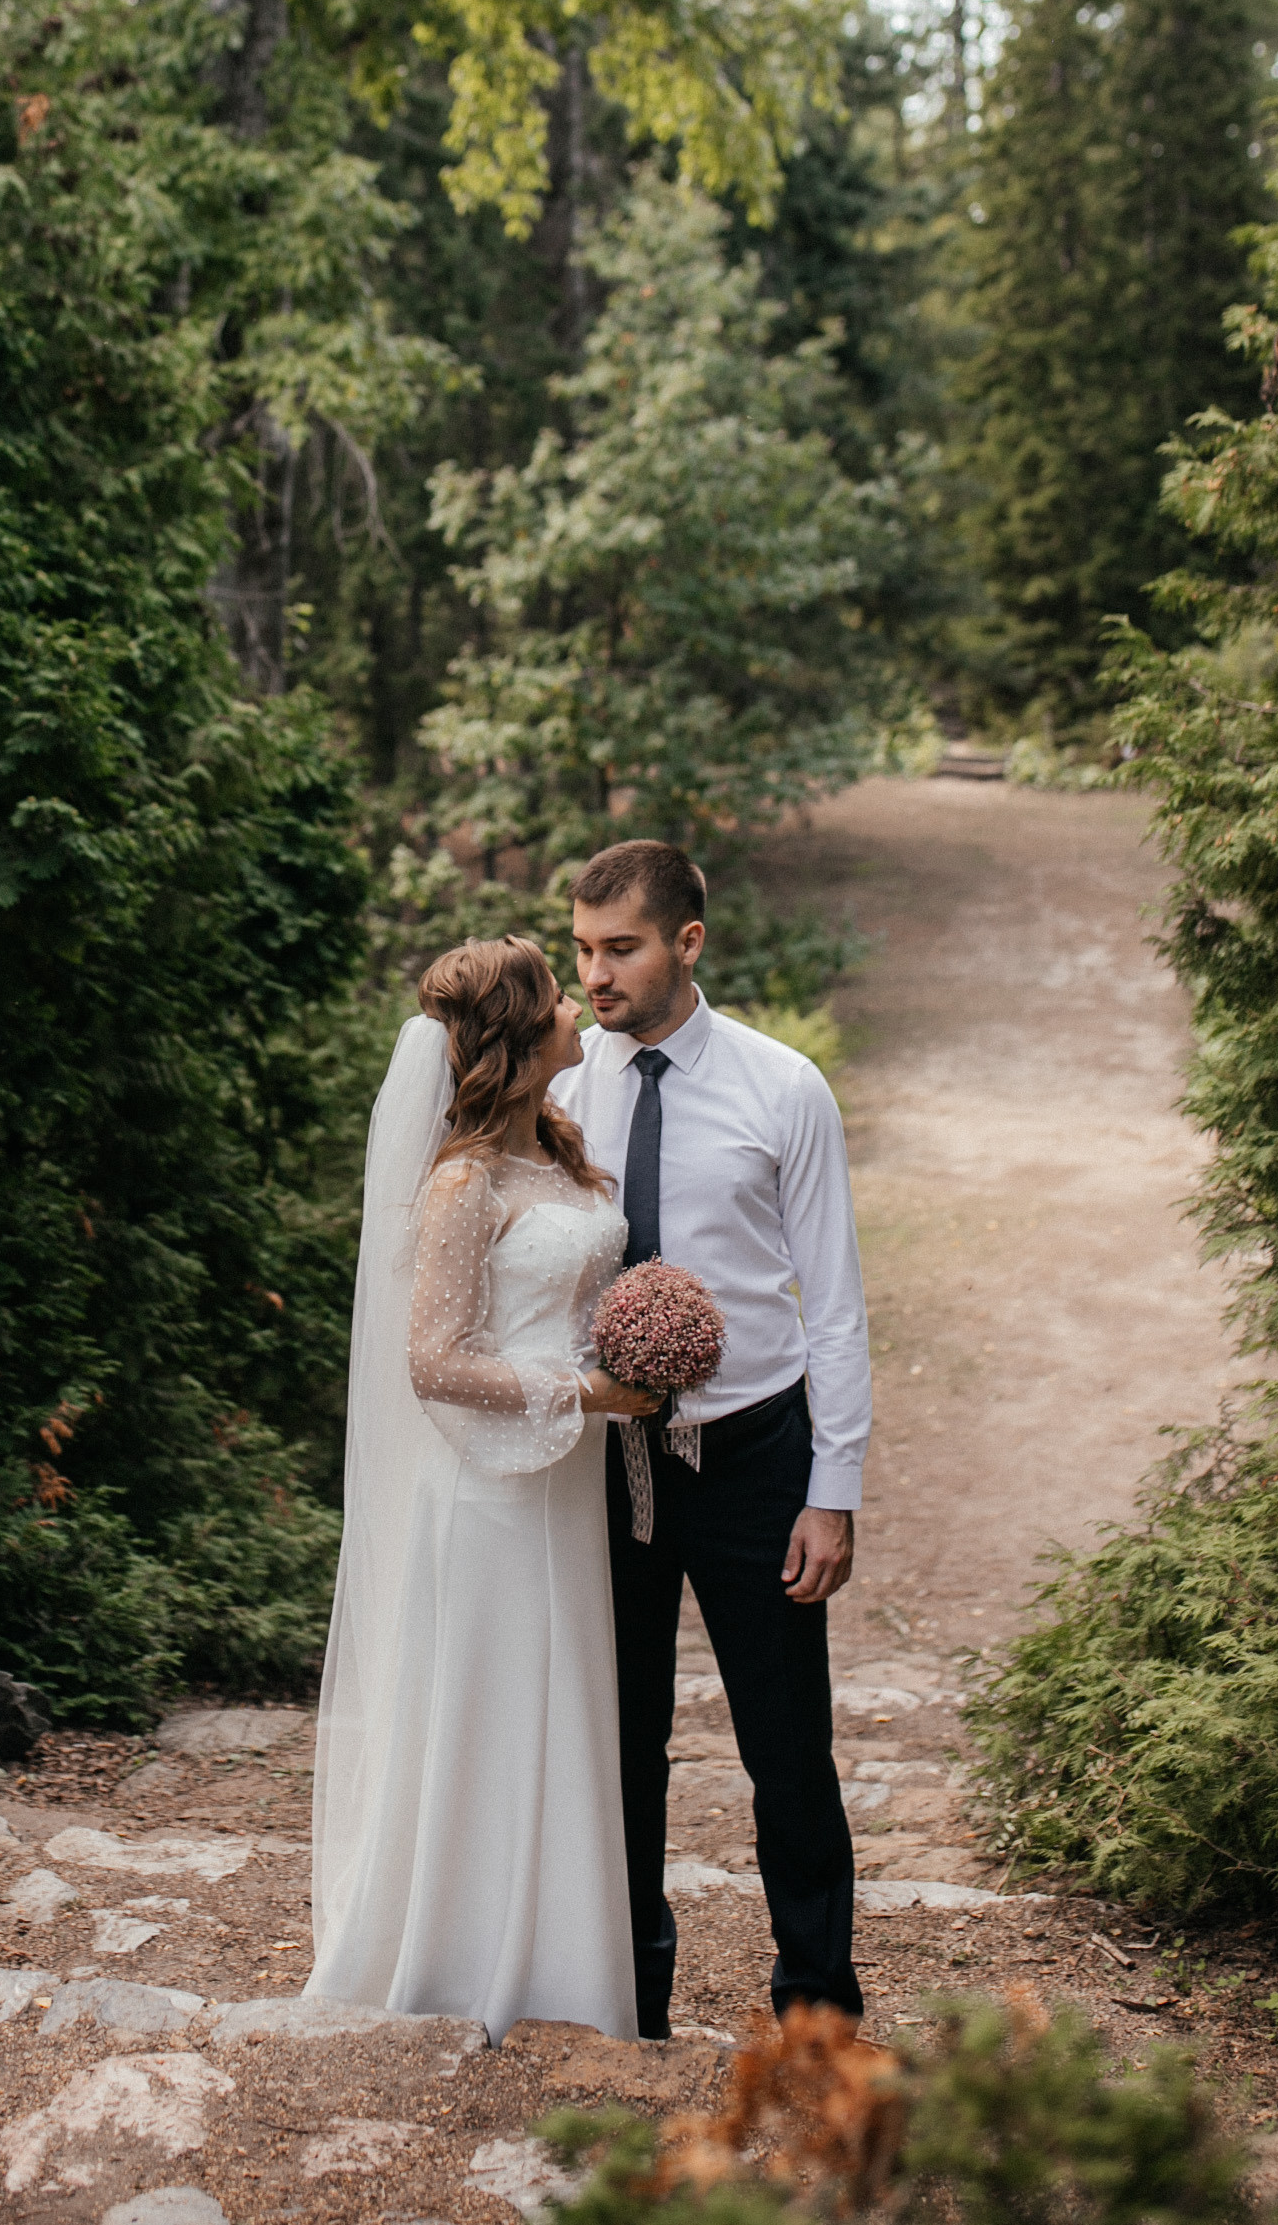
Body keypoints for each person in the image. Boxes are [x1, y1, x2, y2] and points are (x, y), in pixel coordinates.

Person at [308, 936, 664, 2044]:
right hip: (487, 1497)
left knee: (564, 1711)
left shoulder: (556, 1153)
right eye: (555, 996)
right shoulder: (461, 1182)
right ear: (512, 1042)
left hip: (567, 1493)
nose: (574, 1004)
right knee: (489, 1713)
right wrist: (591, 1393)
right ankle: (457, 1956)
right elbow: (433, 1362)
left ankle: (563, 1963)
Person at [553, 837, 872, 2040]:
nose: (595, 975)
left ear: (687, 942)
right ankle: (628, 1992)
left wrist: (829, 1490)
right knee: (619, 1745)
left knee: (787, 1750)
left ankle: (816, 2004)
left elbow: (831, 1304)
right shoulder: (561, 1088)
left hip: (754, 1459)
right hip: (605, 1471)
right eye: (582, 949)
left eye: (620, 948)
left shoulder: (781, 1087)